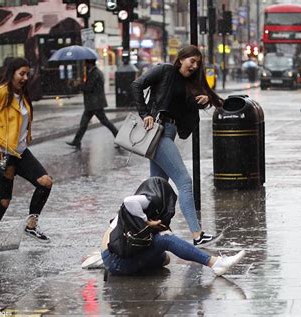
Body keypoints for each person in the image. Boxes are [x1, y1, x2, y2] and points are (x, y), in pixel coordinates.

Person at [129, 45, 224, 247]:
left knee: (156, 189)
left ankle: (135, 230)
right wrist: (145, 113)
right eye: (192, 61)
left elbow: (211, 102)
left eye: (198, 63)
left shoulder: (190, 83)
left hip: (169, 133)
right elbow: (136, 85)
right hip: (158, 131)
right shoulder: (164, 71)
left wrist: (206, 100)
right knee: (184, 181)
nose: (195, 66)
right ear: (181, 59)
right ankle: (197, 234)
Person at [0, 57, 53, 251]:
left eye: (28, 73)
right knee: (2, 202)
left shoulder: (22, 94)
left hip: (20, 152)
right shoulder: (0, 93)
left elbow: (22, 119)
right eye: (22, 74)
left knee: (45, 182)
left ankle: (31, 225)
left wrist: (28, 134)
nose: (25, 77)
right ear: (12, 73)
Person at [100, 177, 246, 276]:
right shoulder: (144, 203)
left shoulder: (130, 215)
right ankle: (216, 263)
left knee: (164, 259)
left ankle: (109, 264)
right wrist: (147, 221)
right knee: (165, 240)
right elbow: (128, 200)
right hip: (115, 261)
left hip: (113, 258)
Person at [66, 59, 118, 149]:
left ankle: (119, 138)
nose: (85, 65)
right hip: (93, 104)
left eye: (86, 63)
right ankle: (76, 141)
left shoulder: (94, 73)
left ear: (89, 63)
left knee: (105, 122)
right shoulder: (96, 72)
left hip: (95, 104)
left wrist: (78, 85)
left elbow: (89, 88)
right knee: (84, 124)